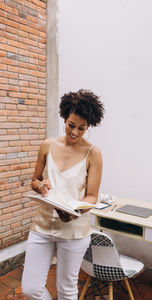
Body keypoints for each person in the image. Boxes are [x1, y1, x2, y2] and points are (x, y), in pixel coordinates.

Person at [22, 89, 105, 300]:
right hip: (42, 227)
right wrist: (40, 187)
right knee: (30, 289)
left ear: (89, 126)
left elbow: (92, 197)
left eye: (82, 128)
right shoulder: (47, 145)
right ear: (64, 118)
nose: (75, 132)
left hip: (74, 231)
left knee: (67, 290)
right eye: (71, 125)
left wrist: (75, 211)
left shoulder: (93, 153)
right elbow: (34, 180)